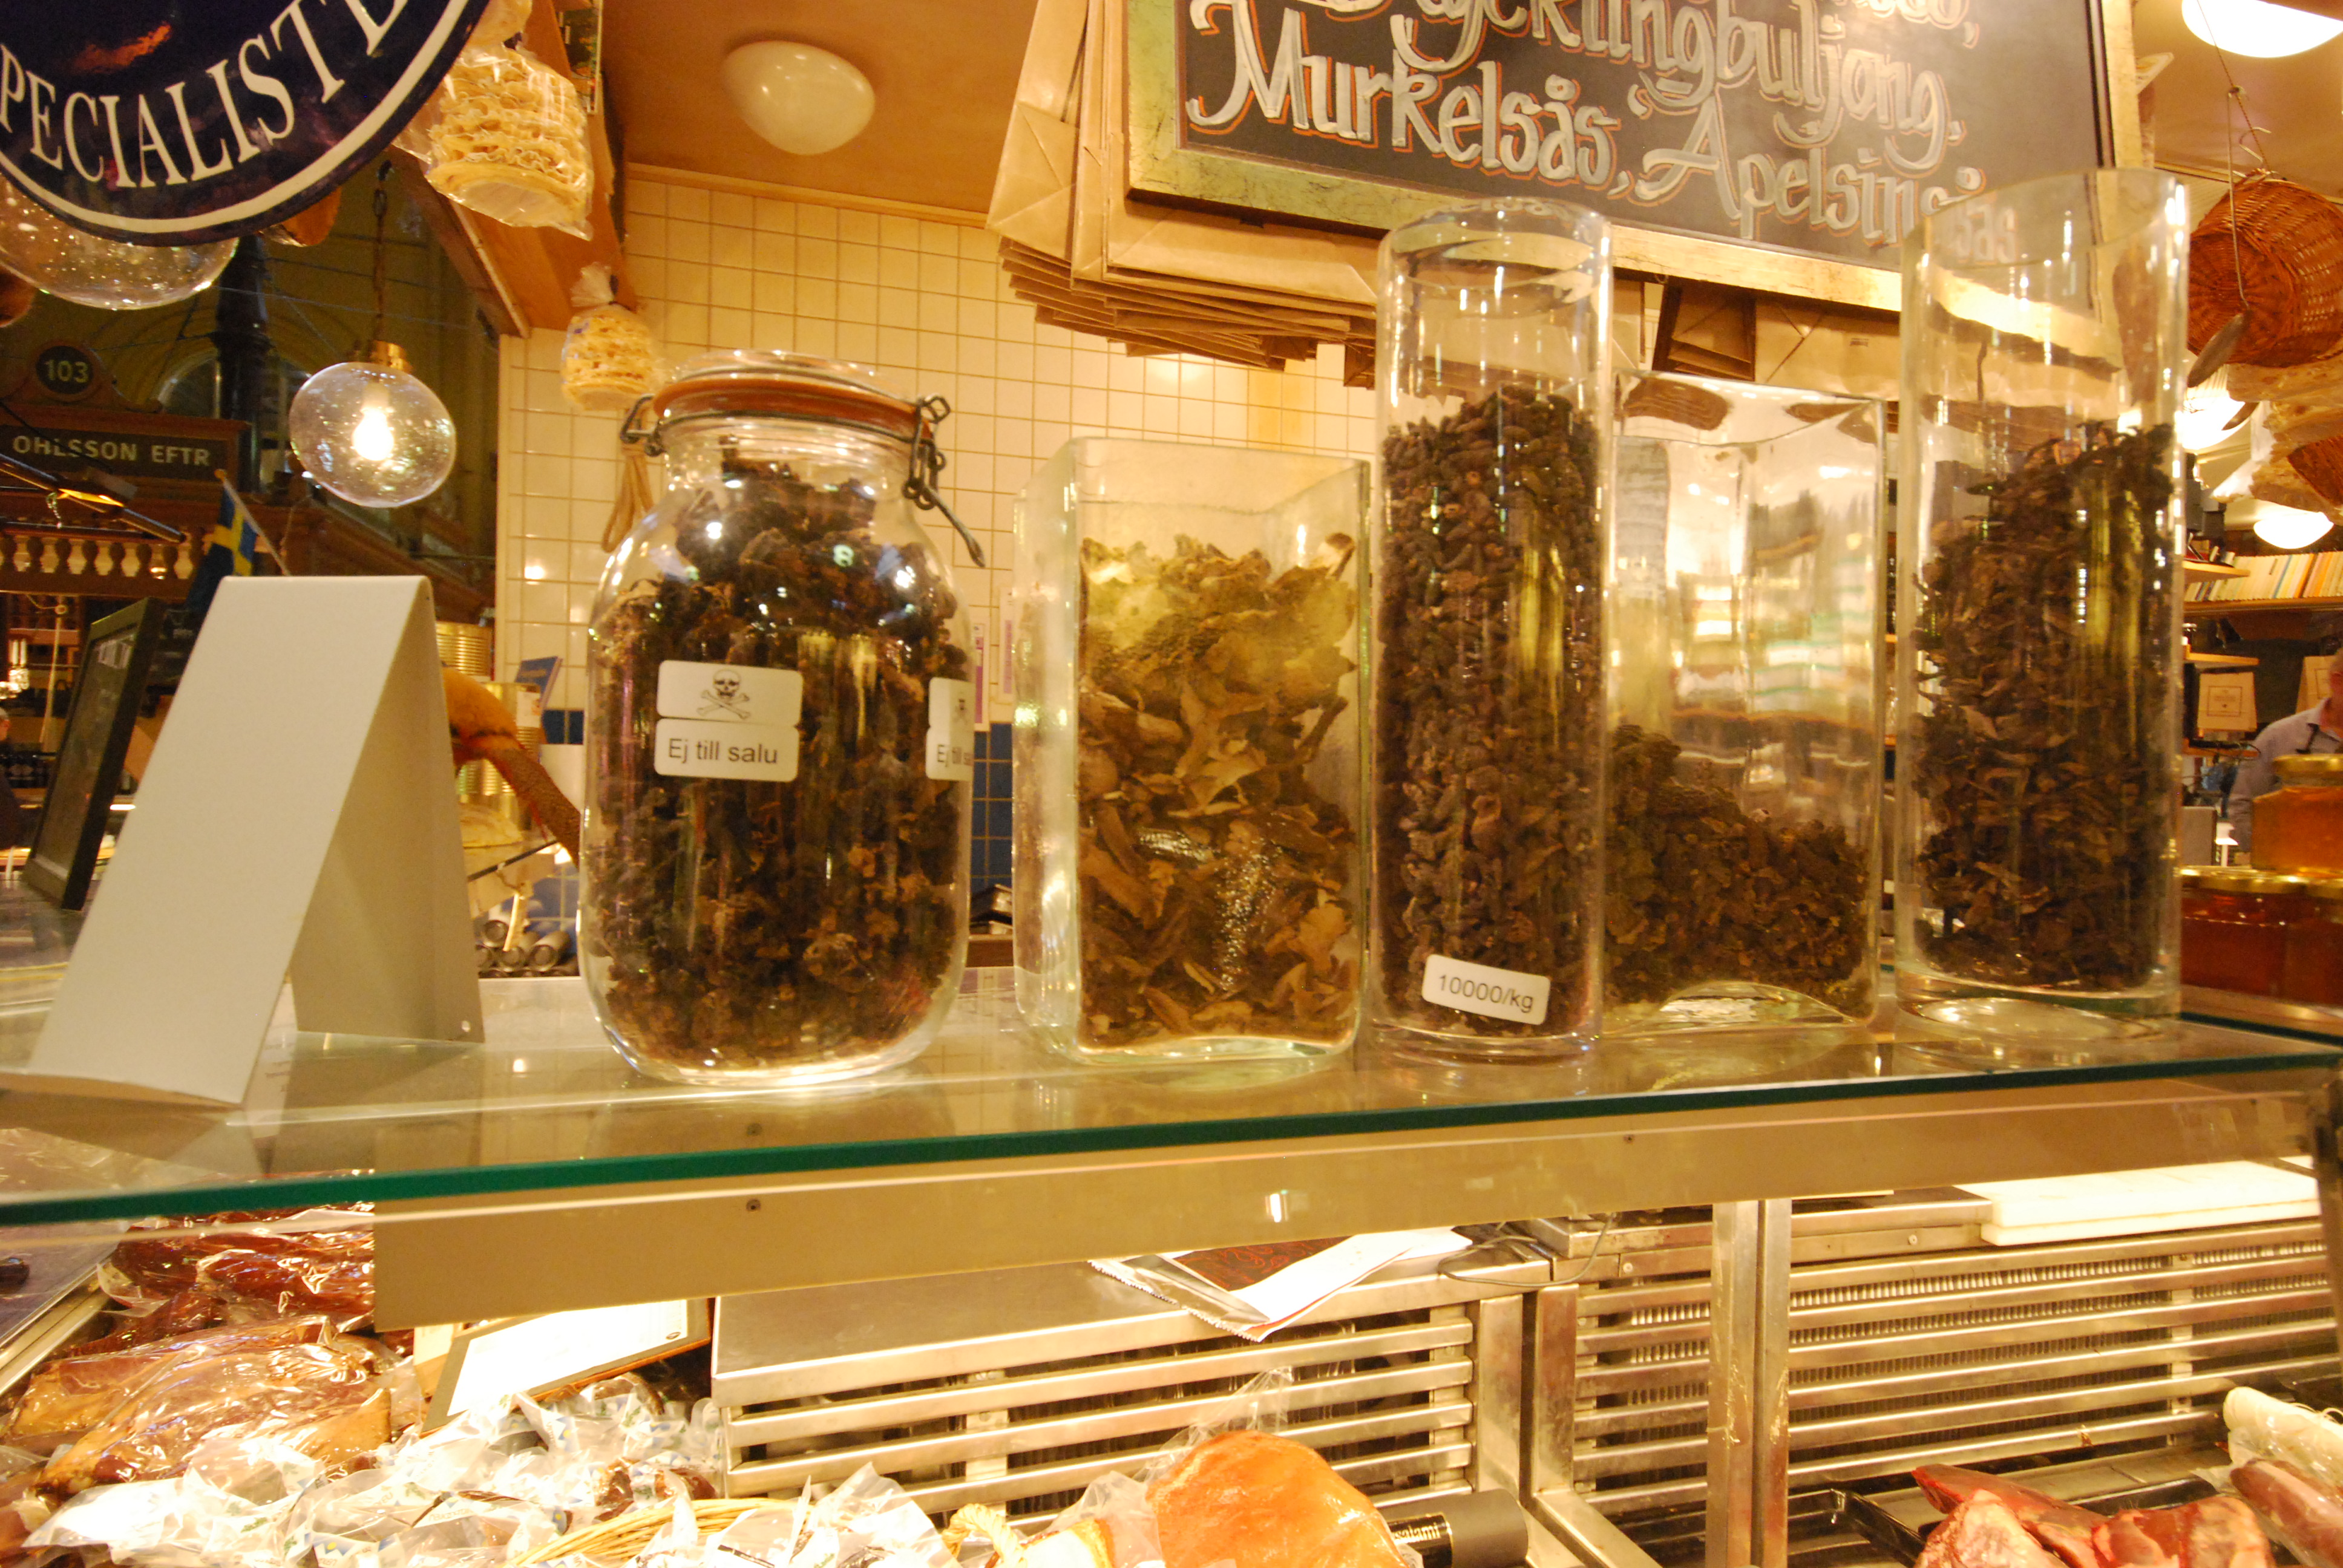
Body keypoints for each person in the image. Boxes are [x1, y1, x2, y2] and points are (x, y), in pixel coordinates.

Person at [2232, 659, 2343, 853]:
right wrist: (2267, 856)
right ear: (2338, 681)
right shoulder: (2280, 736)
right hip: (2293, 863)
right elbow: (2244, 805)